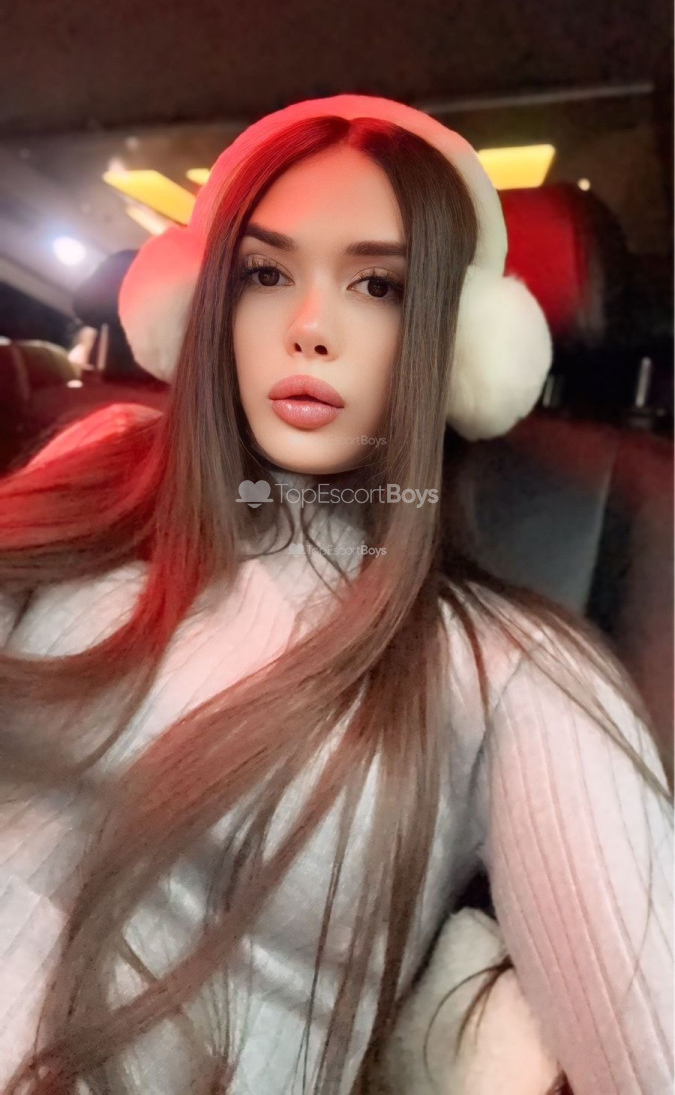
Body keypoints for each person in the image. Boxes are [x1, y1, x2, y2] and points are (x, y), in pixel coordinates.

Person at [0, 94, 671, 1095]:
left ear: (458, 343)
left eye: (379, 286)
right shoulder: (105, 464)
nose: (310, 327)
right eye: (266, 274)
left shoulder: (513, 671)